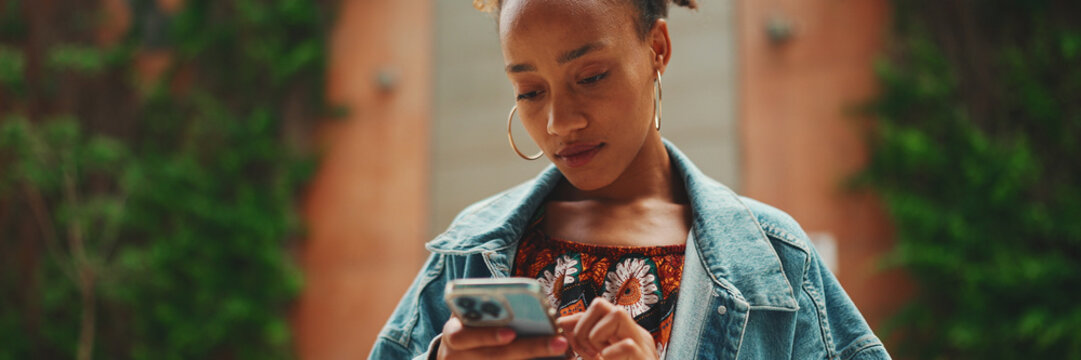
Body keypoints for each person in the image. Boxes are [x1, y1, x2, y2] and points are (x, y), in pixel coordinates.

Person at [370, 0, 891, 358]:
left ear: (657, 48)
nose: (558, 123)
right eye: (530, 90)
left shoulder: (773, 261)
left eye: (591, 77)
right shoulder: (467, 251)